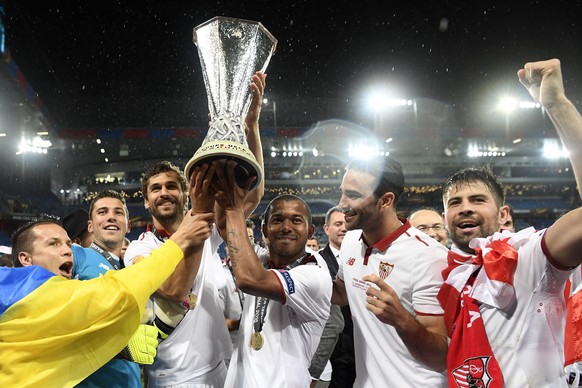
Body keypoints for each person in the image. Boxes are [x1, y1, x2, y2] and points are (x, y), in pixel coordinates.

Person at [438, 58, 582, 387]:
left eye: (478, 200)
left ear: (504, 215)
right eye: (455, 203)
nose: (464, 209)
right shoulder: (445, 274)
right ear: (445, 216)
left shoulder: (528, 257)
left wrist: (557, 106)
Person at [124, 71, 267, 387]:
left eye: (172, 186)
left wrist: (250, 127)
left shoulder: (206, 228)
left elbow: (252, 194)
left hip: (222, 365)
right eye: (156, 188)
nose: (164, 192)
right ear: (146, 202)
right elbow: (174, 292)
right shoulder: (140, 248)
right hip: (176, 377)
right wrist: (201, 214)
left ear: (185, 193)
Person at [1, 210, 214, 387]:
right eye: (53, 244)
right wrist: (180, 240)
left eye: (68, 243)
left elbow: (48, 350)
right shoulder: (35, 290)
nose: (67, 251)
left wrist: (118, 348)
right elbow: (117, 291)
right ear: (25, 258)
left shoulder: (14, 293)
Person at [332, 156, 449, 387]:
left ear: (385, 200)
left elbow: (440, 358)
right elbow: (341, 293)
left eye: (353, 195)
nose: (342, 203)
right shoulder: (352, 241)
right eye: (342, 192)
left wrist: (401, 319)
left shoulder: (429, 257)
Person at [213, 168, 332, 387]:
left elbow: (250, 279)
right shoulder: (262, 259)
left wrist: (234, 208)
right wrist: (252, 135)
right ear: (265, 230)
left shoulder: (315, 275)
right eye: (278, 220)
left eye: (296, 221)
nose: (286, 227)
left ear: (310, 231)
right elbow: (223, 227)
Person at [70, 190, 138, 387]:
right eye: (102, 212)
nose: (111, 217)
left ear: (128, 225)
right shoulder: (76, 255)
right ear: (90, 226)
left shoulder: (132, 269)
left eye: (118, 212)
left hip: (130, 380)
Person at [310, 206, 347, 387]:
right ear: (326, 229)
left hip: (365, 348)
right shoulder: (315, 263)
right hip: (332, 355)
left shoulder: (367, 259)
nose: (344, 228)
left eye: (347, 223)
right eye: (338, 223)